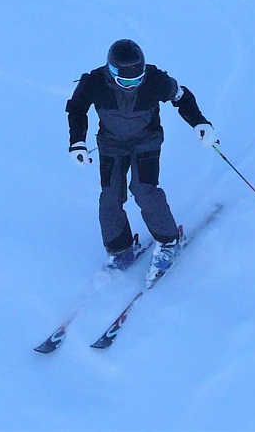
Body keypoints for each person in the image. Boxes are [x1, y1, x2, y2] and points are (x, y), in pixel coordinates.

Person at [65, 39, 216, 274]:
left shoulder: (155, 79)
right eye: (125, 81)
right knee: (110, 196)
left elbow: (182, 97)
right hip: (111, 145)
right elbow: (76, 109)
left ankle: (169, 241)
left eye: (136, 79)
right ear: (111, 71)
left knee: (143, 189)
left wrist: (199, 123)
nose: (131, 85)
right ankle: (120, 249)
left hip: (147, 141)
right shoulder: (93, 82)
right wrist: (77, 143)